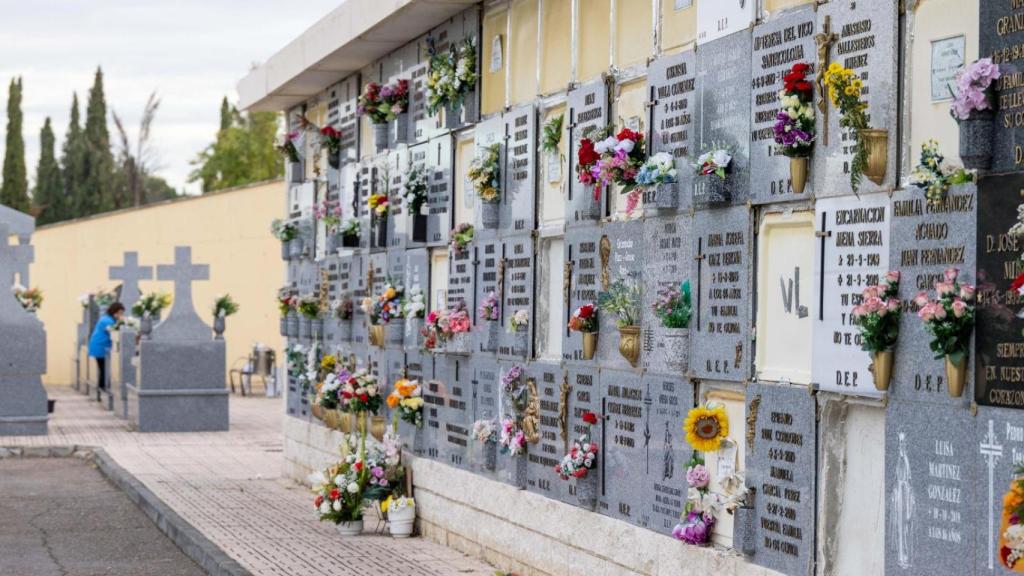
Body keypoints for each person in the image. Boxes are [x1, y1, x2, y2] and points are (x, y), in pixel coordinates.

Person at [88, 302, 124, 393]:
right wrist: (121, 322)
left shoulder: (108, 319)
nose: (120, 315)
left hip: (102, 345)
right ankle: (102, 387)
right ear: (114, 311)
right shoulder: (107, 320)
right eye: (119, 313)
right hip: (100, 346)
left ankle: (102, 387)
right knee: (103, 367)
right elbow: (112, 331)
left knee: (103, 367)